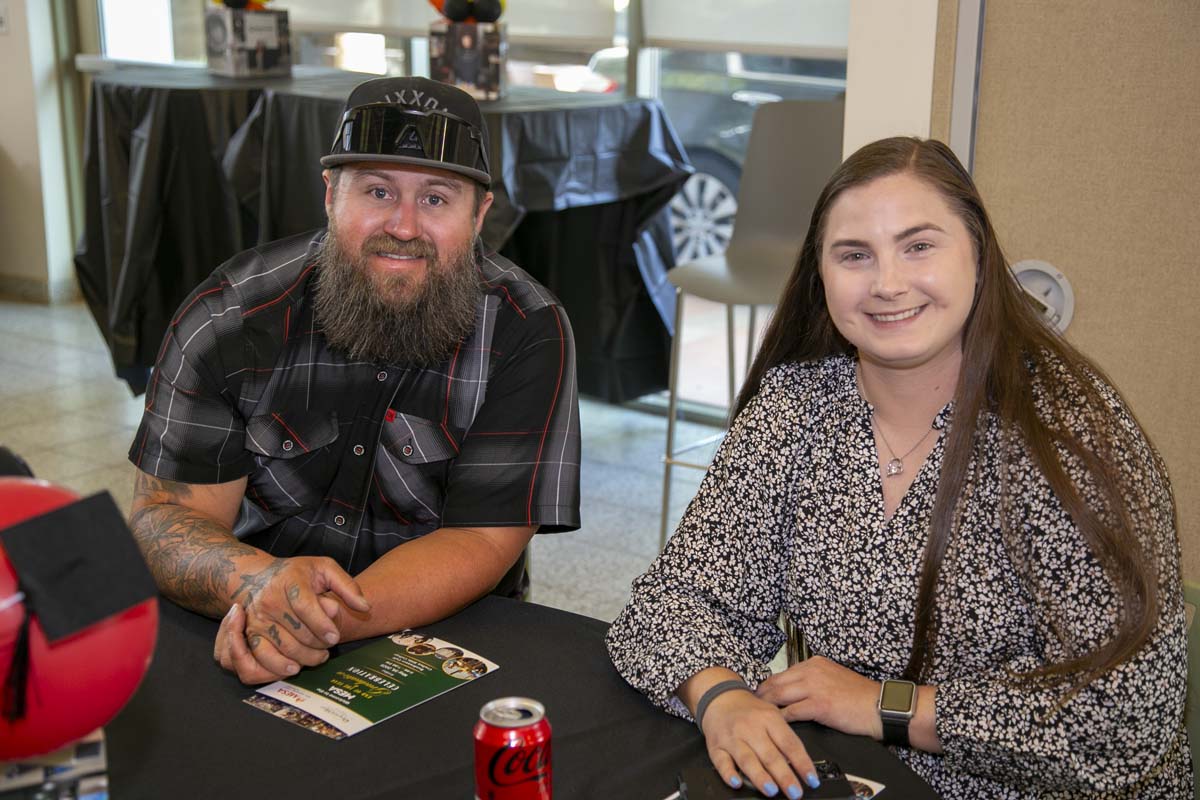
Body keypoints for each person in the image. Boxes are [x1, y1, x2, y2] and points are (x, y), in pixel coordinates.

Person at [606, 137, 1190, 799]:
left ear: (978, 253)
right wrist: (722, 698)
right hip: (858, 777)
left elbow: (1125, 723)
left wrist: (884, 705)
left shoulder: (1070, 435)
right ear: (820, 275)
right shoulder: (797, 406)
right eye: (854, 255)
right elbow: (674, 603)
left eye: (919, 246)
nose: (887, 283)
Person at [128, 76, 580, 686]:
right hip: (241, 616)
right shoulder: (231, 314)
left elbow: (480, 540)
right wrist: (262, 585)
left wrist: (312, 618)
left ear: (480, 216)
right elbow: (165, 517)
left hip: (443, 634)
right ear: (329, 195)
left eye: (437, 199)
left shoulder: (529, 333)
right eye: (377, 190)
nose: (403, 225)